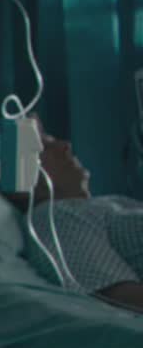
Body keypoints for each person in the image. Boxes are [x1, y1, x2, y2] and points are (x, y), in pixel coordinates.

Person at [17, 126, 143, 312]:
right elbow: (116, 297)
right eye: (43, 146)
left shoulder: (113, 205)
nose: (65, 146)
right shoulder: (57, 215)